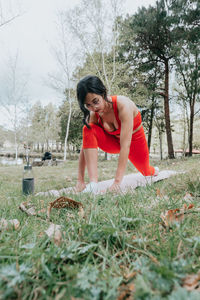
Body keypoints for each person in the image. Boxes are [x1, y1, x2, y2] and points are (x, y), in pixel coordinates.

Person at [75, 75, 158, 193]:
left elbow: (125, 146)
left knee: (146, 172)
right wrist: (80, 180)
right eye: (88, 105)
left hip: (134, 141)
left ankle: (154, 170)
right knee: (87, 128)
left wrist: (117, 182)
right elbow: (86, 144)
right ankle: (93, 183)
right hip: (113, 142)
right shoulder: (94, 115)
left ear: (103, 93)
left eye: (95, 101)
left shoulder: (123, 105)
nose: (93, 108)